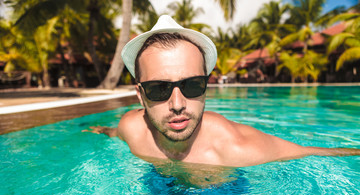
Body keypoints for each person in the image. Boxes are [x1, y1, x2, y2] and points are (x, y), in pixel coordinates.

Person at [84, 15, 359, 168]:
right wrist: (99, 130)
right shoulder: (131, 129)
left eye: (192, 85)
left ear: (206, 87)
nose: (177, 104)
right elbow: (114, 133)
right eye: (159, 89)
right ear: (140, 95)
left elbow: (313, 151)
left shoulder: (238, 149)